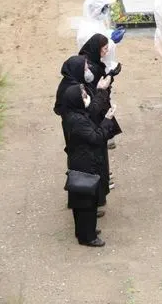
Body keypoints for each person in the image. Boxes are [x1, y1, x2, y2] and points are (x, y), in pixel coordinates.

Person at [60, 84, 120, 247]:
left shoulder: (73, 114)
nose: (86, 96)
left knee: (82, 200)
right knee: (86, 200)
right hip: (85, 164)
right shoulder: (78, 121)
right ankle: (88, 237)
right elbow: (96, 138)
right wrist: (107, 120)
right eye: (83, 94)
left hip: (80, 160)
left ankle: (83, 231)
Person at [79, 34, 122, 190]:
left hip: (96, 107)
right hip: (93, 112)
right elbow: (96, 90)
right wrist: (109, 77)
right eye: (104, 49)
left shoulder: (93, 61)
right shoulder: (89, 67)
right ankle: (101, 177)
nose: (105, 52)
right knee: (97, 146)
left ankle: (103, 173)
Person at [77, 0, 125, 74]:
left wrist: (111, 33)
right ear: (97, 9)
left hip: (99, 65)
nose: (107, 9)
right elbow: (100, 51)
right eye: (105, 7)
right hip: (94, 69)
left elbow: (101, 33)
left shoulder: (94, 21)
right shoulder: (87, 31)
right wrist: (112, 41)